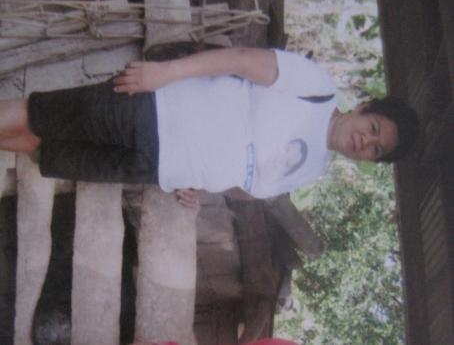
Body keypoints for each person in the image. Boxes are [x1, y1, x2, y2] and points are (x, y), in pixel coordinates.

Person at [0, 47, 419, 204]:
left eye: (376, 150)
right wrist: (166, 72)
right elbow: (240, 60)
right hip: (156, 110)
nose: (365, 142)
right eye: (374, 128)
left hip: (159, 170)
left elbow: (249, 180)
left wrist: (206, 184)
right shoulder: (316, 87)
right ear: (364, 107)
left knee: (48, 151)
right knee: (41, 114)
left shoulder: (314, 171)